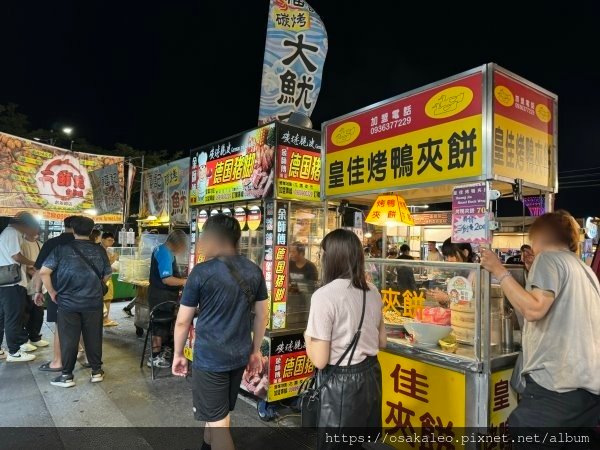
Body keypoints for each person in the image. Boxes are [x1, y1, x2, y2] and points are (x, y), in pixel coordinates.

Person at [481, 212, 600, 447]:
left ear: (540, 236)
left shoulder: (549, 260)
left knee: (526, 436)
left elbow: (534, 310)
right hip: (587, 391)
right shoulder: (584, 269)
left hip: (557, 387)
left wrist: (498, 269)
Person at [172, 214, 268, 450]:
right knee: (216, 414)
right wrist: (255, 351)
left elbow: (183, 321)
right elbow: (262, 315)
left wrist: (178, 354)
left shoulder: (201, 273)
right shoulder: (254, 271)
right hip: (238, 356)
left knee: (219, 422)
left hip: (210, 358)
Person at [305, 229, 386, 449]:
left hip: (341, 385)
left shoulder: (324, 296)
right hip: (371, 377)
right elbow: (382, 342)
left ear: (331, 258)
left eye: (322, 254)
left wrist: (307, 339)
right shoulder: (373, 291)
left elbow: (320, 360)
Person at [39, 216, 111, 388]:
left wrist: (52, 292)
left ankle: (67, 376)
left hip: (68, 303)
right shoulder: (100, 250)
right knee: (93, 336)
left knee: (69, 338)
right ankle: (96, 372)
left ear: (73, 229)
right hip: (93, 301)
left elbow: (43, 272)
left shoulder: (61, 249)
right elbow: (107, 274)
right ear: (92, 230)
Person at [33, 216, 76, 372]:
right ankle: (87, 359)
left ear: (64, 226)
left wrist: (39, 291)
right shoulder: (90, 245)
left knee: (61, 326)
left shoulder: (52, 243)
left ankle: (58, 362)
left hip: (58, 292)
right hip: (86, 293)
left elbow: (40, 270)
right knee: (85, 323)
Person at [0, 212, 39, 362]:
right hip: (13, 282)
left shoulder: (7, 233)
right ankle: (14, 352)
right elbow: (16, 256)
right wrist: (32, 263)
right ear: (26, 225)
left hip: (5, 282)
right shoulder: (13, 233)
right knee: (13, 317)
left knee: (3, 317)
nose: (33, 232)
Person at [146, 229, 188, 368]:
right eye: (183, 245)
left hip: (159, 294)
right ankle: (155, 358)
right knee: (159, 326)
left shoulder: (161, 248)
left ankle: (161, 352)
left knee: (162, 326)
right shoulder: (165, 253)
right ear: (178, 244)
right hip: (161, 295)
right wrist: (185, 282)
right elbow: (167, 279)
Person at [21, 226, 48, 349]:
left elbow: (43, 264)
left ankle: (35, 337)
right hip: (25, 284)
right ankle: (23, 341)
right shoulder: (22, 243)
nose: (36, 232)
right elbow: (23, 265)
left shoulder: (40, 244)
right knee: (24, 314)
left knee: (38, 313)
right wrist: (34, 273)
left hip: (39, 285)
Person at [100, 232, 118, 327]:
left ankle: (105, 318)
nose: (111, 242)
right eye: (109, 240)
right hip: (105, 279)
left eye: (112, 240)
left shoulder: (106, 250)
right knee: (107, 298)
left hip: (106, 277)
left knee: (107, 298)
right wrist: (113, 260)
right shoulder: (101, 250)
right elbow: (105, 266)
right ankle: (105, 319)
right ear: (102, 239)